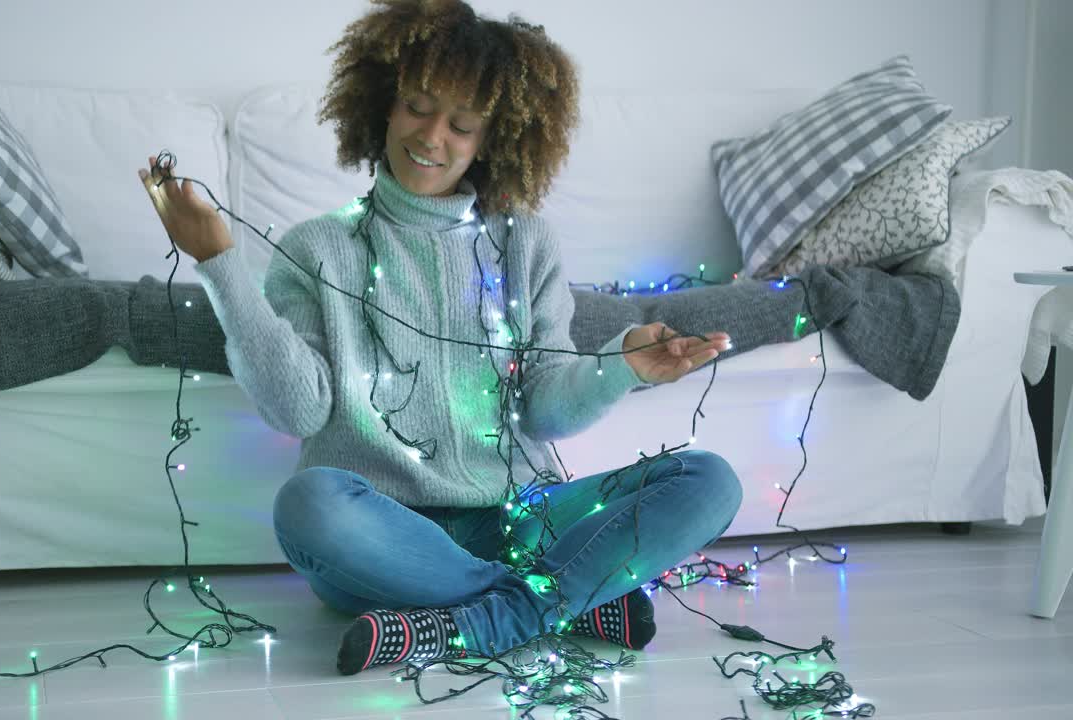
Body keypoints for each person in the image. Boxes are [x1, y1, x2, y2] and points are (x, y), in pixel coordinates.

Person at [139, 0, 741, 676]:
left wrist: (622, 366)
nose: (433, 137)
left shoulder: (526, 243)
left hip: (522, 520)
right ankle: (565, 599)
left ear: (493, 139)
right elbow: (298, 411)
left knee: (709, 479)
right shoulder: (319, 247)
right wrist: (220, 266)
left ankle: (483, 619)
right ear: (383, 106)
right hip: (388, 536)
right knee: (306, 505)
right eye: (419, 107)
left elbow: (546, 409)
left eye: (463, 125)